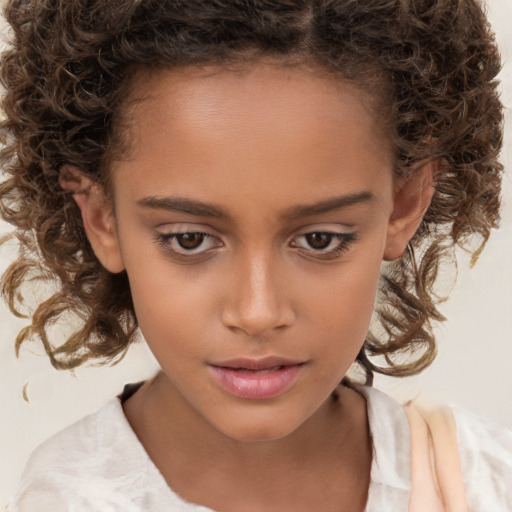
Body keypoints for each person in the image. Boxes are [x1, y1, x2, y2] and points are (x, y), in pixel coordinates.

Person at [1, 0, 510, 510]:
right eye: (189, 239)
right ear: (101, 219)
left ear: (404, 205)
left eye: (320, 239)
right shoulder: (67, 498)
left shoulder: (480, 482)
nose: (257, 312)